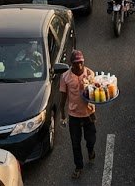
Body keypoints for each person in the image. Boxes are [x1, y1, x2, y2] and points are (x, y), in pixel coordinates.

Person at [59, 50, 97, 180]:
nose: (79, 66)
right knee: (75, 143)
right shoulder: (65, 77)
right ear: (71, 64)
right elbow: (63, 98)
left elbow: (96, 93)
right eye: (76, 64)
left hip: (89, 114)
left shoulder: (90, 74)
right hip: (74, 115)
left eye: (81, 63)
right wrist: (62, 115)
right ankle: (78, 166)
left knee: (91, 139)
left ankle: (90, 150)